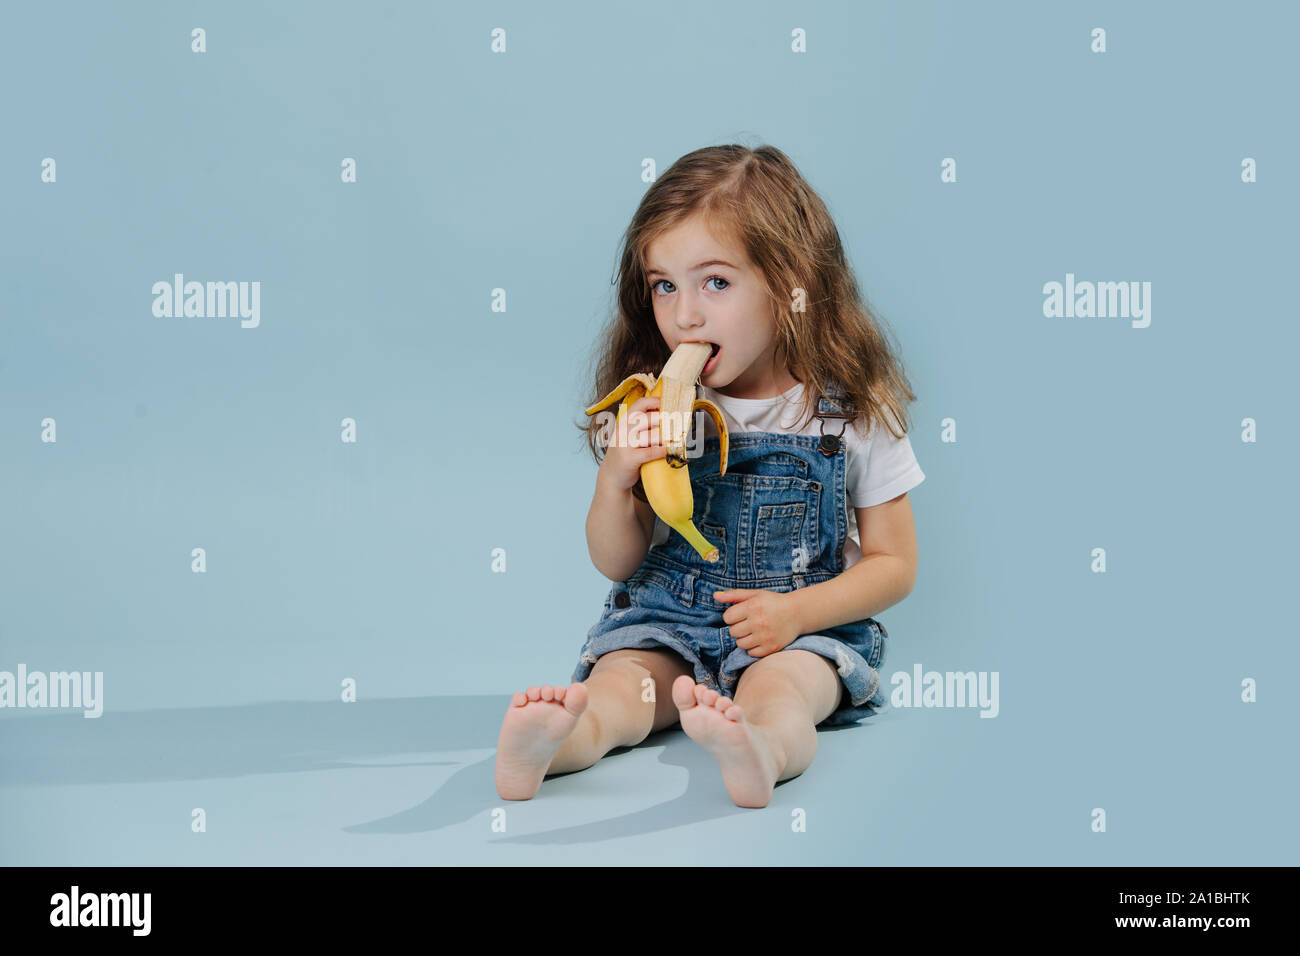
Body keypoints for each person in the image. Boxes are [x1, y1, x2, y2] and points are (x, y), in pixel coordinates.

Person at [495, 144, 924, 808]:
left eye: (715, 282)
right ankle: (559, 742)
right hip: (670, 621)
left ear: (791, 287)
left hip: (799, 631)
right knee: (622, 689)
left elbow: (895, 563)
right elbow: (618, 560)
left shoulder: (850, 414)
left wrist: (795, 615)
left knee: (781, 693)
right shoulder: (650, 406)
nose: (684, 315)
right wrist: (615, 480)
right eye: (664, 284)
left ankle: (761, 749)